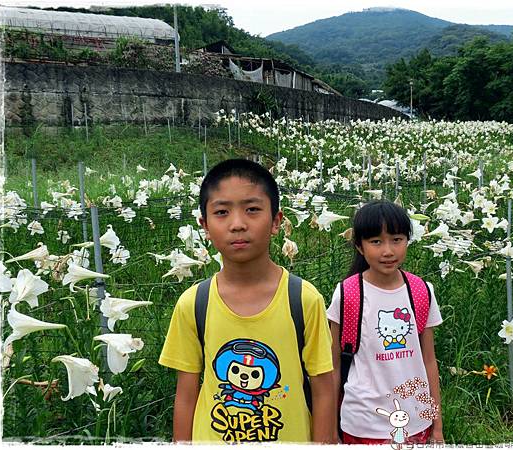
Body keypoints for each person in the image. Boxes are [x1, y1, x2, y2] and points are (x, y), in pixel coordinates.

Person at [158, 159, 336, 444]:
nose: (238, 224)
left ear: (277, 221)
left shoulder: (303, 299)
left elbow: (324, 389)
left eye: (252, 210)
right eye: (222, 212)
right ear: (204, 225)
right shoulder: (193, 304)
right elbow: (186, 395)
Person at [327, 200, 444, 444]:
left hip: (416, 418)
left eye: (397, 239)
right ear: (360, 247)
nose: (388, 251)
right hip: (362, 422)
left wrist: (437, 426)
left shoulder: (421, 291)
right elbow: (334, 365)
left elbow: (429, 361)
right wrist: (329, 427)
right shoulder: (347, 294)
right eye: (376, 242)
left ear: (408, 241)